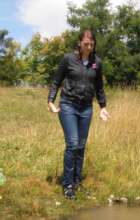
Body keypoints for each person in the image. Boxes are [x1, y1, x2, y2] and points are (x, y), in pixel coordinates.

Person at [47, 29, 110, 199]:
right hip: (68, 105)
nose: (89, 47)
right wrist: (51, 102)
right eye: (86, 44)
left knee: (81, 146)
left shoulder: (97, 62)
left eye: (91, 44)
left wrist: (103, 107)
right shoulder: (68, 59)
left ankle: (76, 181)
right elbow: (56, 81)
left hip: (86, 108)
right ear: (79, 43)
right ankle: (67, 185)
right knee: (73, 144)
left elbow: (99, 87)